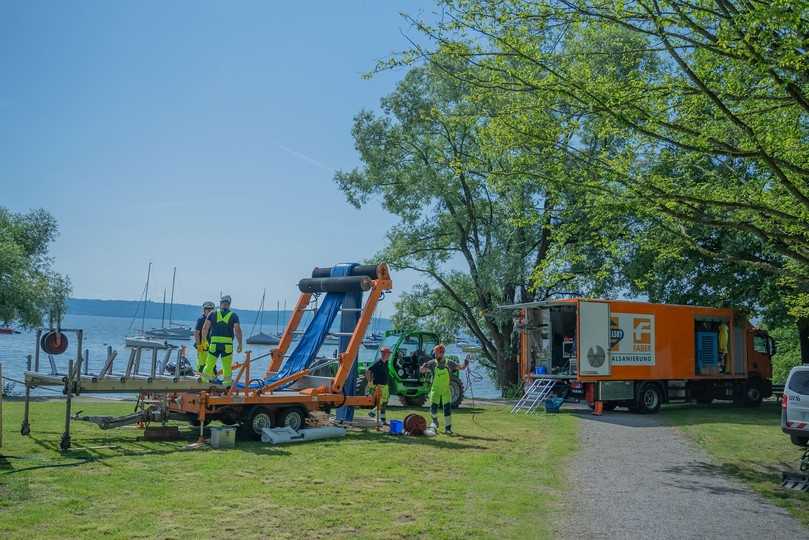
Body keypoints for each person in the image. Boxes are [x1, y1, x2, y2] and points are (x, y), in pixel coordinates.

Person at [420, 344, 469, 435]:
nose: (434, 355)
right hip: (435, 389)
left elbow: (461, 367)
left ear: (441, 353)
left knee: (447, 410)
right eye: (434, 353)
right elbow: (422, 371)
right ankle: (435, 421)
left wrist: (466, 363)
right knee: (433, 409)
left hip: (446, 390)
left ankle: (448, 429)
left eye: (436, 353)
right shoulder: (432, 363)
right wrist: (422, 368)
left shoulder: (449, 363)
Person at [200, 295, 242, 386]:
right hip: (227, 345)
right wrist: (240, 344)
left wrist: (204, 341)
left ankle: (204, 382)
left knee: (209, 364)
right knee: (227, 366)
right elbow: (237, 330)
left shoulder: (212, 313)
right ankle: (227, 384)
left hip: (214, 344)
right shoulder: (233, 315)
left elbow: (205, 328)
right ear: (229, 304)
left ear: (220, 303)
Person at [367, 346, 392, 425]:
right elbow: (368, 370)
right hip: (379, 386)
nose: (389, 355)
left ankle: (383, 419)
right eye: (388, 354)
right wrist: (370, 382)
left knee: (385, 402)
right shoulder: (377, 362)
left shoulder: (386, 362)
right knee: (381, 402)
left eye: (389, 354)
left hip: (385, 386)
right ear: (384, 354)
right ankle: (372, 412)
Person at [193, 301, 215, 372]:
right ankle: (199, 377)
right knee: (201, 364)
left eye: (211, 309)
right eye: (207, 309)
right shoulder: (201, 319)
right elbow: (196, 333)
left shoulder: (214, 320)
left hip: (211, 345)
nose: (209, 311)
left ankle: (211, 378)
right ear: (204, 310)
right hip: (202, 345)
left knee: (211, 364)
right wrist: (199, 345)